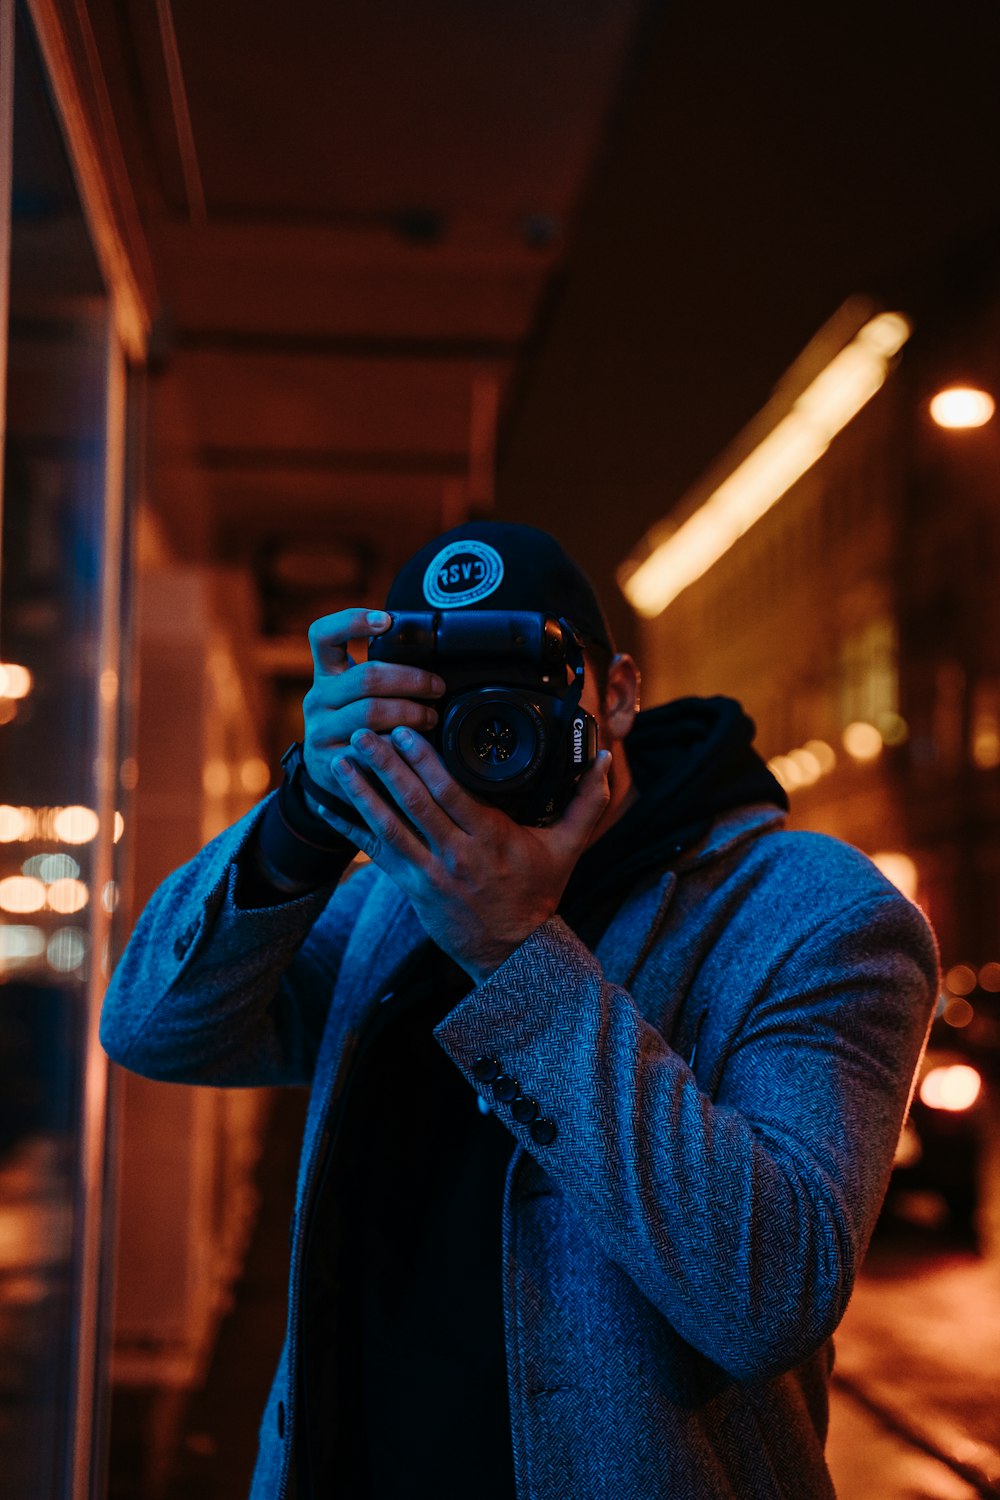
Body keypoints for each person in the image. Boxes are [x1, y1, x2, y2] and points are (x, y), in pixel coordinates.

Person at [100, 520, 939, 1500]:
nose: (485, 721)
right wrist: (304, 813)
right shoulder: (388, 896)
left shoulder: (806, 912)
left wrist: (510, 948)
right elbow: (155, 1025)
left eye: (527, 676)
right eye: (434, 691)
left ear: (616, 692)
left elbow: (766, 1295)